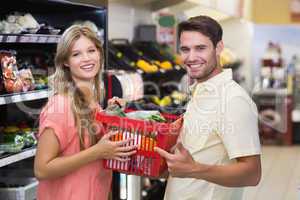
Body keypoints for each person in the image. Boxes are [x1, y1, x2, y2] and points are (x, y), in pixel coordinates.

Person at [155, 15, 261, 200]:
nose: (191, 57)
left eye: (200, 48)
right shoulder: (200, 92)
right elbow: (198, 156)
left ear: (219, 48)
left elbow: (252, 173)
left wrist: (193, 169)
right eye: (185, 49)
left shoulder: (232, 100)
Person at [34, 24, 137, 200]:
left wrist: (113, 116)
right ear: (65, 61)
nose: (87, 58)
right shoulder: (60, 107)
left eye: (91, 50)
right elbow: (42, 169)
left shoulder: (93, 103)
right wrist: (97, 152)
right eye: (76, 54)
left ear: (99, 53)